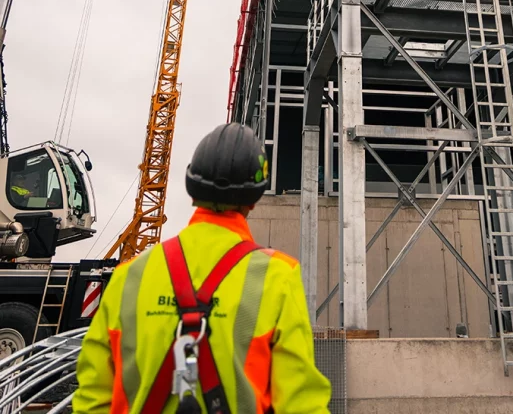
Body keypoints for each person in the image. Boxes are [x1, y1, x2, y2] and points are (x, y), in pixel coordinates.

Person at [73, 124, 331, 414]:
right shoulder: (278, 277)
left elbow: (92, 399)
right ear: (255, 198)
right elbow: (301, 404)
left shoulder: (129, 276)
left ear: (192, 188)